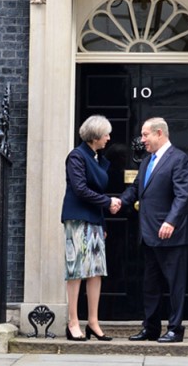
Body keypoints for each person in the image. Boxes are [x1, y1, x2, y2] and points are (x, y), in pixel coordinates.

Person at [121, 117, 188, 343]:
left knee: (175, 284)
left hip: (172, 234)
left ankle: (175, 329)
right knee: (150, 285)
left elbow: (183, 195)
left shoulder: (179, 159)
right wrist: (118, 202)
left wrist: (171, 221)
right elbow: (135, 189)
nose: (142, 140)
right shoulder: (146, 162)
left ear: (159, 133)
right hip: (149, 234)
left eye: (145, 135)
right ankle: (151, 328)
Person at [61, 115, 122, 341]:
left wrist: (103, 223)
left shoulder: (96, 158)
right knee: (76, 270)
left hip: (94, 221)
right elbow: (80, 189)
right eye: (106, 134)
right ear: (95, 136)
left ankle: (93, 322)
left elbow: (93, 193)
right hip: (77, 219)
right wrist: (108, 202)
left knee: (96, 272)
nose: (108, 138)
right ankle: (73, 322)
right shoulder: (77, 157)